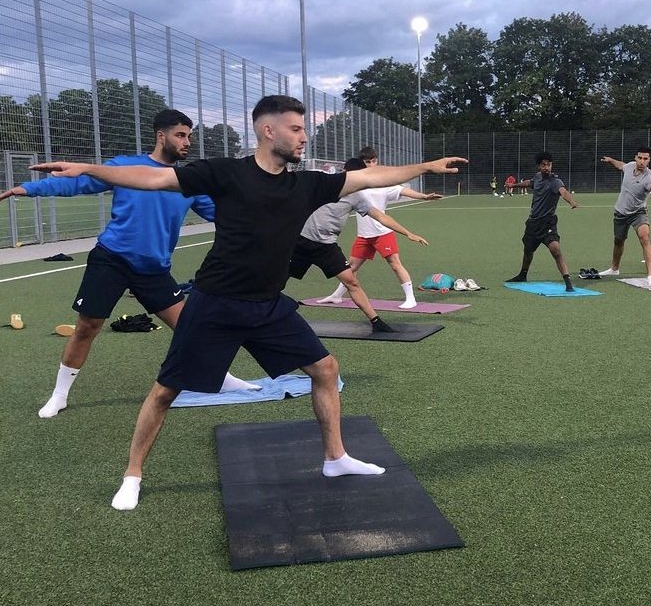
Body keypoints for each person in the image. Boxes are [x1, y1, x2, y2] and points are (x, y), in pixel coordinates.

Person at [32, 95, 466, 511]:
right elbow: (155, 178)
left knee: (326, 369)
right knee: (165, 391)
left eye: (303, 129)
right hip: (214, 304)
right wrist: (88, 168)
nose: (302, 137)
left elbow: (370, 177)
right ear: (267, 129)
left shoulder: (308, 185)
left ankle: (335, 458)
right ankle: (133, 475)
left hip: (267, 305)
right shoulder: (226, 173)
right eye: (296, 129)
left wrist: (426, 166)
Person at [0, 109, 257, 419]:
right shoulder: (124, 167)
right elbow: (77, 183)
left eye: (189, 136)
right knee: (87, 328)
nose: (187, 142)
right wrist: (26, 189)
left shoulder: (187, 181)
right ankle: (59, 395)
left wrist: (265, 219)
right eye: (180, 135)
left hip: (154, 269)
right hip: (112, 260)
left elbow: (224, 215)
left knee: (191, 327)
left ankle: (220, 378)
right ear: (161, 136)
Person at [290, 157, 429, 332]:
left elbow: (380, 216)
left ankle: (376, 322)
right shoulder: (323, 183)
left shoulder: (356, 196)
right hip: (300, 241)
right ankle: (267, 306)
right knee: (279, 278)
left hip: (326, 246)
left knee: (352, 282)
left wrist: (408, 233)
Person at [318, 146, 442, 309]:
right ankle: (336, 296)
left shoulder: (382, 183)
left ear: (377, 161)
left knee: (395, 265)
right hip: (363, 235)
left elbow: (403, 191)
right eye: (367, 162)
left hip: (382, 232)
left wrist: (424, 196)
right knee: (351, 267)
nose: (371, 164)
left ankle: (411, 298)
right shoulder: (355, 184)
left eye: (373, 160)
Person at [506, 152, 578, 292]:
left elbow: (563, 192)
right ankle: (523, 275)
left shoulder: (556, 182)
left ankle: (568, 282)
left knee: (555, 249)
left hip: (548, 223)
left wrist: (572, 202)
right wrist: (514, 185)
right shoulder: (538, 177)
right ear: (539, 166)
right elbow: (530, 183)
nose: (547, 167)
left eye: (549, 164)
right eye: (544, 165)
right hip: (533, 223)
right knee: (528, 250)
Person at [598, 147, 651, 286]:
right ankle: (614, 269)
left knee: (645, 237)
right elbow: (621, 166)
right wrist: (611, 160)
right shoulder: (630, 166)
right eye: (640, 158)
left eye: (645, 159)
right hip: (621, 212)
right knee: (618, 241)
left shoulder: (650, 177)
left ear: (649, 160)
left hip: (638, 213)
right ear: (636, 158)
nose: (642, 161)